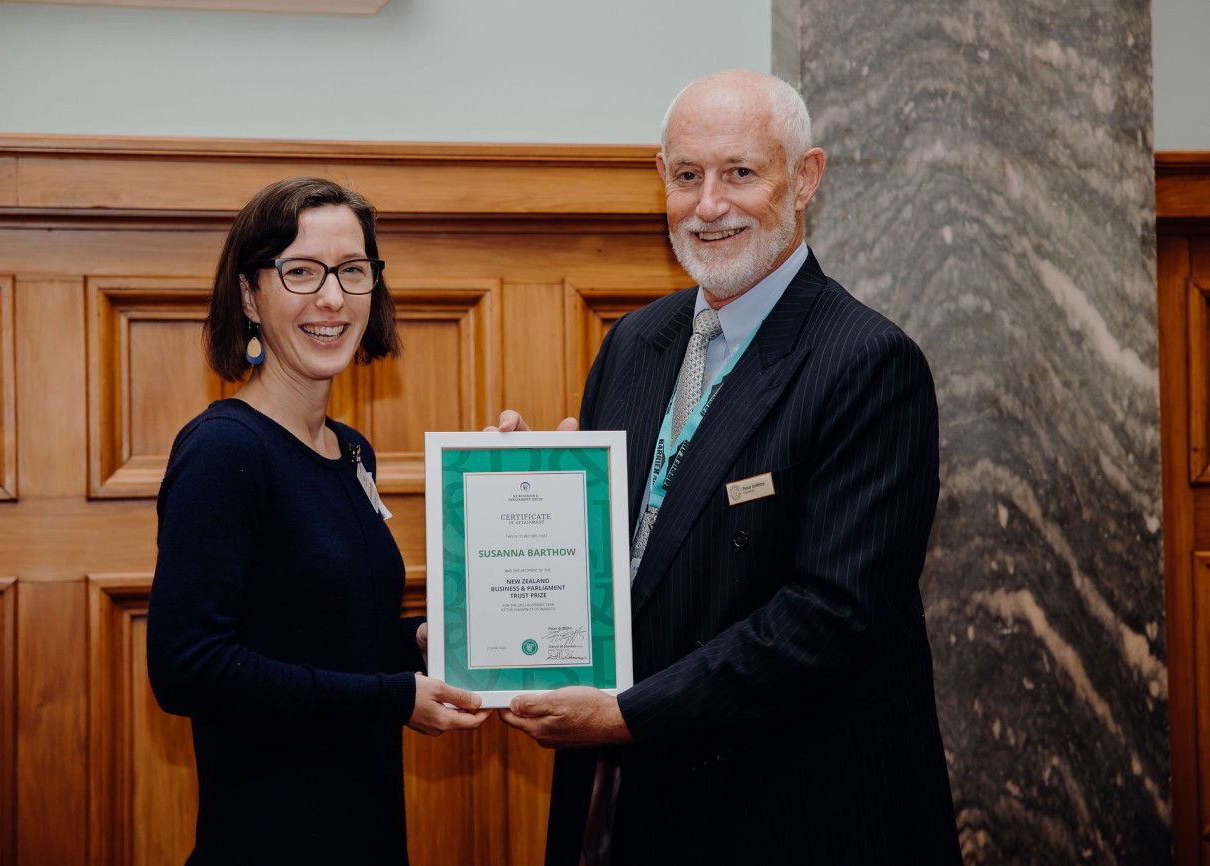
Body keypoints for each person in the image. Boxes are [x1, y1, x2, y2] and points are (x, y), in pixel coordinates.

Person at [497, 70, 961, 864]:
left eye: (740, 173)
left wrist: (629, 716)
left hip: (789, 814)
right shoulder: (634, 344)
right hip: (632, 811)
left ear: (805, 178)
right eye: (687, 176)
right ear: (661, 183)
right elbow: (638, 563)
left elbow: (830, 617)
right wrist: (530, 498)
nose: (709, 205)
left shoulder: (868, 363)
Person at [147, 176, 490, 866]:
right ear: (250, 295)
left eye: (352, 271)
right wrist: (393, 697)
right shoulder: (224, 450)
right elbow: (190, 668)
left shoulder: (349, 448)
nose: (331, 297)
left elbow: (319, 638)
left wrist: (417, 642)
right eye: (300, 271)